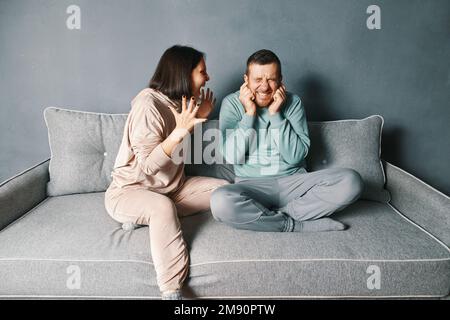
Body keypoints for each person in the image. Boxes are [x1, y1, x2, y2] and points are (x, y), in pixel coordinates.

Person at [104, 45, 228, 300]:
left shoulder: (180, 104)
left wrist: (197, 120)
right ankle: (171, 292)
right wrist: (182, 130)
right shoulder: (147, 104)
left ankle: (150, 217)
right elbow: (149, 165)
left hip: (172, 189)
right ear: (183, 73)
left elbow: (174, 150)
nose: (208, 77)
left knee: (225, 192)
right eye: (202, 71)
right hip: (129, 192)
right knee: (160, 207)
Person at [210, 49, 363, 233]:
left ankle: (273, 215)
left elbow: (294, 157)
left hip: (295, 182)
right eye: (258, 80)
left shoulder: (293, 102)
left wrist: (276, 114)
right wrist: (249, 113)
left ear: (280, 80)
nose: (265, 87)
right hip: (251, 185)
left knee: (351, 181)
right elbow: (233, 156)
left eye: (271, 79)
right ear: (246, 80)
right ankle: (293, 224)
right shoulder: (232, 104)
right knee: (219, 201)